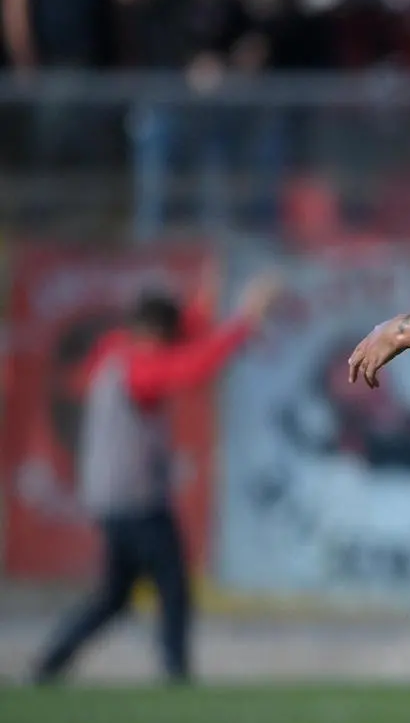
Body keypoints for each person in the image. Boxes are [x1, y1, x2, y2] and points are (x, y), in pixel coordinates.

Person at [32, 275, 280, 684]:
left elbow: (180, 341)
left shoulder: (113, 349)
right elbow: (191, 365)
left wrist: (203, 303)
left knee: (115, 597)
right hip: (136, 501)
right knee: (174, 588)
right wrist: (245, 320)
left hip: (113, 499)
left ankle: (50, 664)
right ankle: (175, 673)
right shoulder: (138, 367)